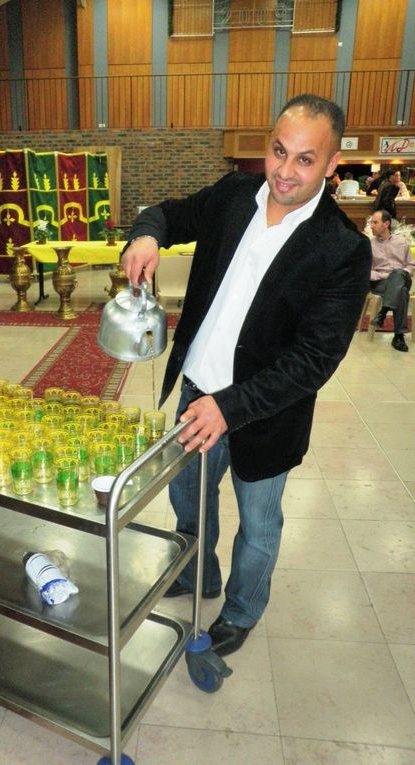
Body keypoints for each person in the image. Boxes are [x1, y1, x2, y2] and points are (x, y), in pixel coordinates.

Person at [121, 94, 371, 657]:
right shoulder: (234, 196)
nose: (285, 171)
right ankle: (198, 572)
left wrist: (229, 407)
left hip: (265, 415)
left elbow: (314, 359)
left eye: (306, 160)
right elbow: (167, 212)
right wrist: (146, 235)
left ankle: (240, 610)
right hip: (193, 396)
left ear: (333, 165)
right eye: (279, 151)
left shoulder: (342, 249)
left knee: (258, 526)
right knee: (189, 498)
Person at [369, 209, 413, 352]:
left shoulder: (401, 242)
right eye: (371, 222)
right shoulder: (370, 244)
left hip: (402, 278)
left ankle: (384, 311)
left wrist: (399, 274)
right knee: (402, 291)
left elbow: (411, 264)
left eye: (375, 222)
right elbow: (367, 271)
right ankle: (398, 336)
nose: (371, 225)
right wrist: (387, 276)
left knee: (399, 275)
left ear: (386, 224)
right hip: (381, 283)